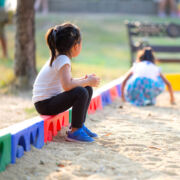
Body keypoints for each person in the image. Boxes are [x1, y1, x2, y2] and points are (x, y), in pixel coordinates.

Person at [32, 22, 100, 143]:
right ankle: (75, 131)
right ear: (75, 46)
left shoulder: (60, 57)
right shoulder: (63, 59)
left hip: (47, 102)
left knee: (86, 88)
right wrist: (86, 81)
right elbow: (67, 85)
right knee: (80, 92)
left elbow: (68, 82)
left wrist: (85, 81)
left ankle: (79, 125)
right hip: (45, 104)